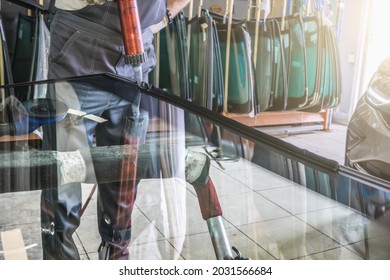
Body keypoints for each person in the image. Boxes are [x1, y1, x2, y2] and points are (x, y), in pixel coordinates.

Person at [40, 0, 191, 260]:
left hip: (136, 58)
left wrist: (163, 18)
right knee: (64, 179)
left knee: (124, 180)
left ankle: (116, 259)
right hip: (80, 52)